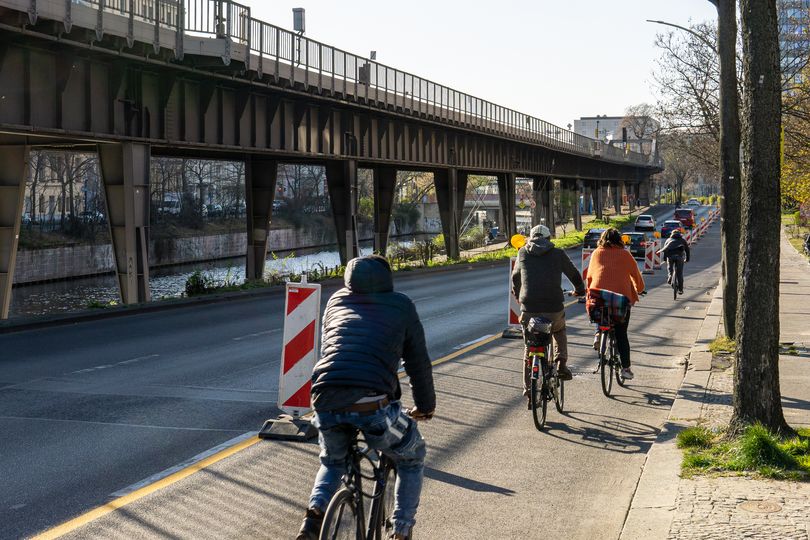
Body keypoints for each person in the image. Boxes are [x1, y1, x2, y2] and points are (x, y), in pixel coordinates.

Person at [296, 255, 435, 540]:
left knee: (333, 462)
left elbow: (332, 346)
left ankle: (313, 517)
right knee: (411, 457)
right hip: (373, 404)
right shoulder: (401, 305)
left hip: (325, 397)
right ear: (388, 279)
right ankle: (401, 530)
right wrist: (424, 406)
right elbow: (417, 362)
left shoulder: (336, 301)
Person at [511, 224, 586, 403]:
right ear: (548, 238)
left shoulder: (522, 252)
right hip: (553, 307)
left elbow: (515, 277)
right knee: (559, 331)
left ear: (530, 237)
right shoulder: (558, 253)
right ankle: (561, 363)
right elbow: (573, 274)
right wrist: (580, 290)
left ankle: (529, 390)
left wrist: (519, 294)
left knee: (530, 348)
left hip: (529, 308)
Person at [582, 228, 645, 380]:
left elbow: (589, 278)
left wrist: (589, 292)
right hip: (620, 300)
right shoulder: (625, 254)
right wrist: (640, 289)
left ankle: (598, 333)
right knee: (621, 334)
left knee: (600, 309)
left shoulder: (596, 253)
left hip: (598, 296)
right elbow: (636, 276)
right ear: (620, 240)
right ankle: (625, 369)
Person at [658, 229, 691, 294]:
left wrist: (665, 259)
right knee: (679, 274)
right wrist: (687, 259)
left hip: (670, 256)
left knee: (670, 268)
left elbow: (665, 250)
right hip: (679, 257)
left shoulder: (668, 240)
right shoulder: (682, 240)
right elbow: (687, 250)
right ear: (679, 234)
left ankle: (670, 276)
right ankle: (680, 290)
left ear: (672, 234)